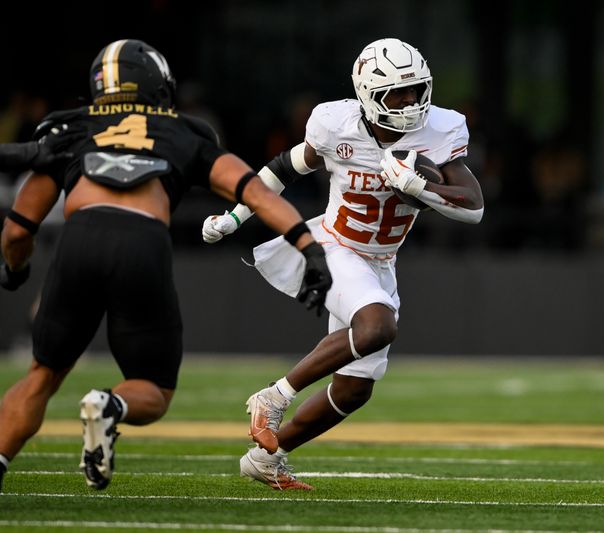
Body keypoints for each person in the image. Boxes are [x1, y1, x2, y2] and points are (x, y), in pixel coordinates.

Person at [0, 39, 332, 493]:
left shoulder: (70, 129)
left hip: (81, 239)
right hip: (142, 243)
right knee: (153, 389)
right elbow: (254, 192)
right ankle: (109, 405)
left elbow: (19, 231)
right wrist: (308, 246)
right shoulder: (183, 132)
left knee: (41, 375)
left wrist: (15, 271)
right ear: (159, 85)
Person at [201, 38, 484, 490]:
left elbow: (473, 206)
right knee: (378, 326)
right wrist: (236, 215)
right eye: (398, 93)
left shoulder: (441, 130)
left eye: (416, 89)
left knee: (354, 388)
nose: (411, 102)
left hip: (380, 262)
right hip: (331, 246)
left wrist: (419, 186)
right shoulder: (337, 124)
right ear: (369, 94)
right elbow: (284, 168)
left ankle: (265, 460)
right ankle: (273, 398)